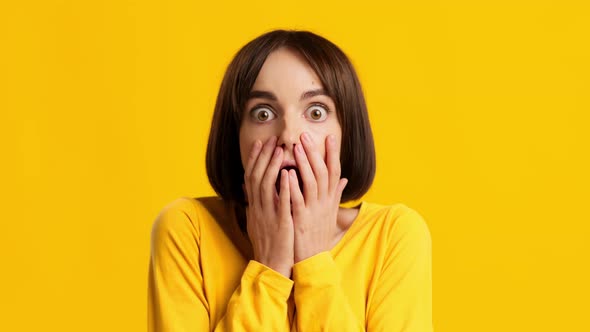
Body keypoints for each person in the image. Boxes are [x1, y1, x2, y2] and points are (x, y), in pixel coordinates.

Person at [148, 30, 432, 331]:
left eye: (316, 111)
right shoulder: (188, 230)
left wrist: (313, 261)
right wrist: (269, 270)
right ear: (235, 136)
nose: (288, 136)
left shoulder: (394, 236)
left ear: (347, 133)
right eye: (263, 113)